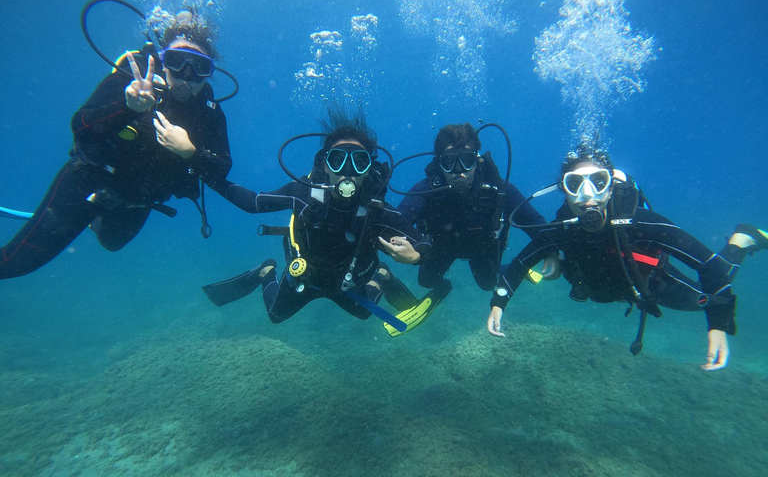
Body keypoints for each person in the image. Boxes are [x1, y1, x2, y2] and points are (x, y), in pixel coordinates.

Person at [0, 11, 231, 279]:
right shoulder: (134, 78)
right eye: (177, 61)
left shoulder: (208, 111)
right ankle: (76, 214)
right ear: (163, 60)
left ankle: (91, 220)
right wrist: (128, 107)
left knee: (112, 244)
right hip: (89, 183)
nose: (186, 75)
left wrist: (189, 152)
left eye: (199, 67)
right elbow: (81, 126)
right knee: (13, 264)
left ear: (208, 72)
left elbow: (222, 167)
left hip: (138, 201)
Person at [487, 151, 767, 371]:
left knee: (714, 288)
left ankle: (740, 242)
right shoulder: (562, 228)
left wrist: (717, 324)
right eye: (574, 184)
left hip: (652, 283)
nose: (587, 195)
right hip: (608, 289)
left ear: (610, 187)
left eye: (598, 182)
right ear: (565, 190)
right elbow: (520, 263)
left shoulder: (641, 223)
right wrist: (498, 304)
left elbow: (708, 265)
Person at [201, 110, 432, 328]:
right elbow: (252, 203)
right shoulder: (302, 193)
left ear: (369, 168)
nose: (347, 171)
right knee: (275, 314)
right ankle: (266, 271)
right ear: (325, 163)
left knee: (363, 313)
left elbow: (423, 242)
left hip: (346, 281)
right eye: (338, 159)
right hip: (306, 275)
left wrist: (416, 257)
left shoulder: (377, 210)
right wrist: (210, 178)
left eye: (359, 162)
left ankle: (381, 276)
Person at [391, 123, 558, 332]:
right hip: (441, 247)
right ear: (439, 163)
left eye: (466, 160)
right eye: (449, 162)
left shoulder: (498, 189)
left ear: (477, 159)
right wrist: (410, 245)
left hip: (482, 247)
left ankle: (510, 270)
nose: (458, 171)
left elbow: (533, 221)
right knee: (426, 281)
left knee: (488, 284)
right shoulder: (427, 190)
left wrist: (550, 248)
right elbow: (396, 223)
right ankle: (444, 287)